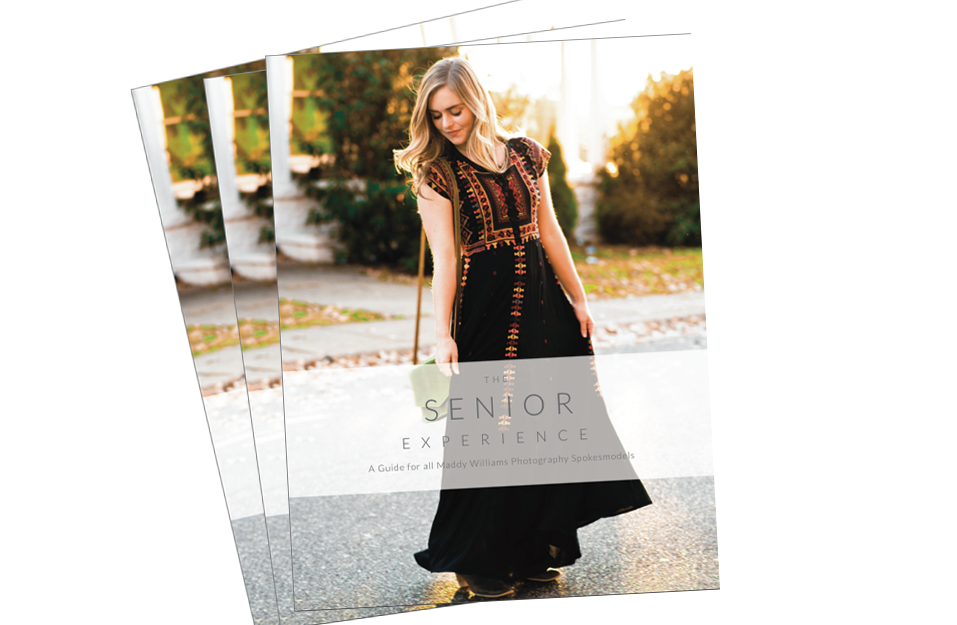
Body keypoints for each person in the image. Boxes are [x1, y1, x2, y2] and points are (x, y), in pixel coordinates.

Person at [394, 56, 652, 599]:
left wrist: (578, 299)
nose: (447, 125)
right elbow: (445, 260)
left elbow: (551, 232)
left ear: (477, 101)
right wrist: (443, 336)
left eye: (455, 111)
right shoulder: (435, 176)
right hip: (484, 313)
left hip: (542, 306)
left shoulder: (528, 155)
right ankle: (479, 559)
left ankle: (531, 550)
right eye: (436, 117)